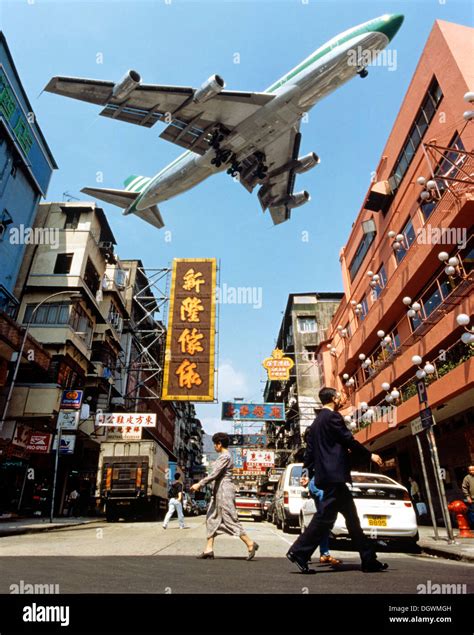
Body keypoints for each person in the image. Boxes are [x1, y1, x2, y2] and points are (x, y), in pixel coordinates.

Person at [287, 387, 389, 574]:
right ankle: (298, 552)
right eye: (340, 395)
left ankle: (368, 559)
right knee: (324, 517)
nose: (342, 398)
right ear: (333, 398)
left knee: (352, 519)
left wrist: (306, 471)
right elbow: (348, 440)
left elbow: (309, 452)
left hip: (328, 476)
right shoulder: (333, 417)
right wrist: (369, 455)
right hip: (335, 476)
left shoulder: (316, 423)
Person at [191, 432, 258, 560]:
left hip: (224, 490)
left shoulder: (225, 456)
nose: (214, 447)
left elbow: (214, 474)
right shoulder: (223, 456)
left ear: (219, 444)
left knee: (229, 518)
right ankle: (208, 549)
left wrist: (199, 484)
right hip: (219, 490)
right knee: (211, 517)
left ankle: (250, 543)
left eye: (215, 444)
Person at [300, 474, 342, 566]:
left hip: (321, 482)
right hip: (317, 483)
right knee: (318, 527)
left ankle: (324, 553)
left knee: (323, 528)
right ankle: (303, 553)